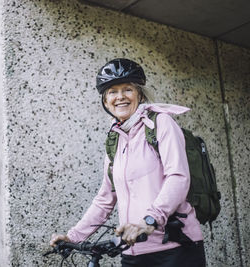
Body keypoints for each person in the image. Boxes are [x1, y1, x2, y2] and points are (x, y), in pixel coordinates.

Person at [50, 58, 206, 267]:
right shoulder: (115, 140)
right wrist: (73, 237)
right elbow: (105, 199)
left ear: (139, 94)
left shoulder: (161, 123)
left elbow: (178, 178)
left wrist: (149, 221)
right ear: (105, 102)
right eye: (112, 92)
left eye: (127, 89)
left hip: (175, 248)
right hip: (131, 250)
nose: (120, 97)